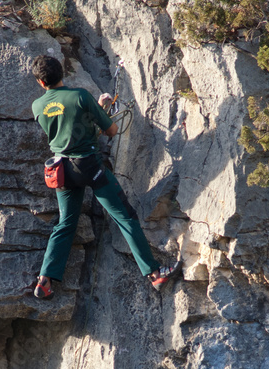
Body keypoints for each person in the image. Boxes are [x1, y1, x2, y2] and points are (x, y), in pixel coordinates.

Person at [30, 54, 178, 299]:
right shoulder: (79, 96)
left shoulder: (37, 107)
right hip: (89, 166)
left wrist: (94, 110)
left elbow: (67, 133)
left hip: (61, 170)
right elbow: (111, 130)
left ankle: (45, 280)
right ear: (62, 74)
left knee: (66, 223)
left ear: (40, 82)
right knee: (124, 216)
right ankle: (154, 273)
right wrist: (100, 110)